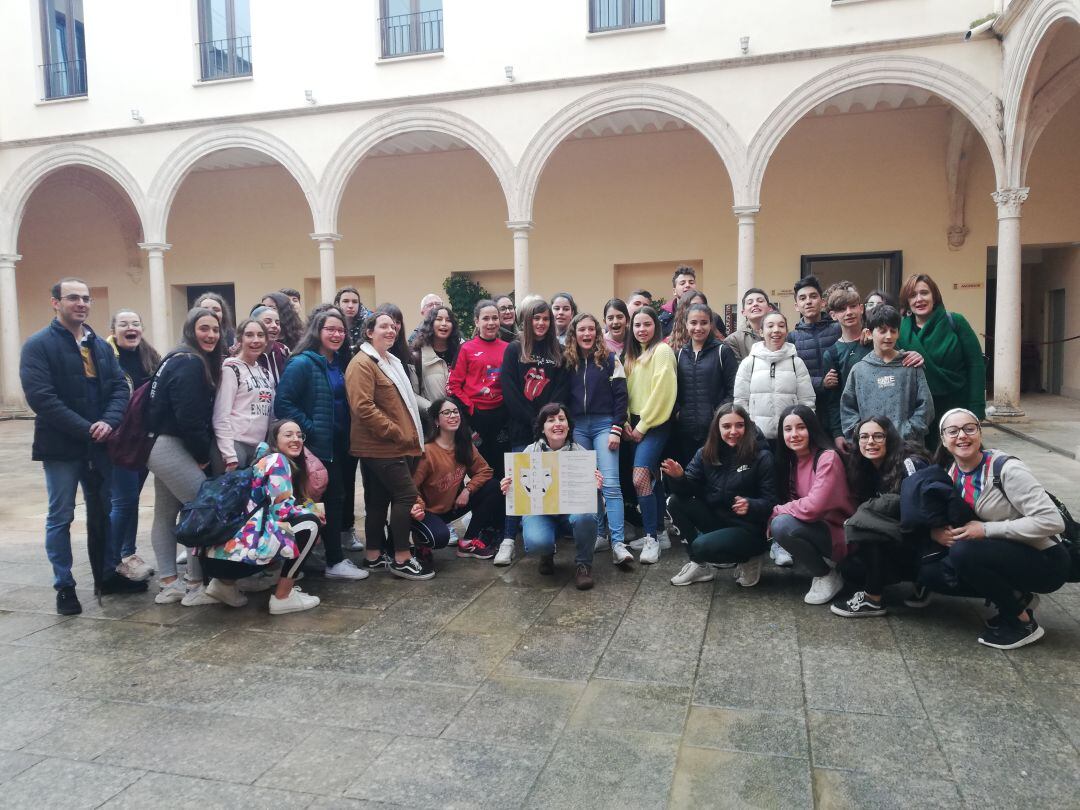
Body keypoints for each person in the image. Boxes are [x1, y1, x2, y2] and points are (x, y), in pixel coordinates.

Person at [20, 278, 135, 614]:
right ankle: (64, 585)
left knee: (102, 513)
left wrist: (109, 423)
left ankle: (105, 575)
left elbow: (118, 388)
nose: (81, 303)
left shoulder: (99, 345)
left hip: (98, 446)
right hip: (61, 447)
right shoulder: (38, 345)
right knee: (61, 515)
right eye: (73, 298)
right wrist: (87, 428)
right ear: (55, 302)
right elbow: (42, 398)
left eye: (86, 298)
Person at [927, 408, 1069, 649]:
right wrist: (937, 533)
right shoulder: (954, 472)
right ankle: (1016, 598)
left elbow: (1052, 521)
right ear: (943, 439)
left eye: (969, 428)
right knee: (935, 570)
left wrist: (986, 529)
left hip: (1047, 560)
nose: (962, 436)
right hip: (1009, 552)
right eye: (953, 431)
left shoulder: (1005, 469)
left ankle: (1021, 623)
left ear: (980, 433)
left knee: (964, 554)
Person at [274, 310, 368, 581]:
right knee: (325, 498)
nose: (337, 334)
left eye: (341, 330)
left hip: (340, 443)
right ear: (318, 330)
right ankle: (333, 561)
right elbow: (284, 403)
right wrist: (310, 430)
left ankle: (327, 556)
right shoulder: (302, 363)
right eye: (331, 329)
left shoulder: (339, 362)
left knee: (336, 499)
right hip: (318, 444)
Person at [198, 420, 324, 614]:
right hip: (239, 557)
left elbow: (285, 503)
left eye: (299, 435)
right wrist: (312, 513)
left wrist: (308, 507)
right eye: (288, 435)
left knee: (297, 520)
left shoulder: (263, 460)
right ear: (275, 439)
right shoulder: (278, 461)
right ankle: (283, 597)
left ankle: (224, 585)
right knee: (309, 525)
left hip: (218, 558)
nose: (296, 439)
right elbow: (281, 511)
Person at [145, 307, 224, 606]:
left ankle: (169, 583)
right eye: (204, 328)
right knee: (203, 511)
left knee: (165, 514)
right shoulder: (190, 363)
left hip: (158, 447)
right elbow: (190, 418)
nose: (211, 335)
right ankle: (194, 586)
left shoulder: (174, 357)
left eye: (215, 330)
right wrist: (201, 456)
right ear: (191, 329)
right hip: (173, 447)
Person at [347, 311, 431, 580]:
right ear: (369, 332)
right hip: (383, 446)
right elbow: (363, 407)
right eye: (383, 326)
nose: (391, 331)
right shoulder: (362, 363)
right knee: (406, 496)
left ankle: (373, 555)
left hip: (393, 445)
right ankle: (402, 557)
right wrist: (396, 432)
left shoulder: (390, 360)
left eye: (394, 327)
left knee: (378, 501)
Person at [662, 404, 776, 587]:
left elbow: (772, 502)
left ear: (747, 427)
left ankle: (750, 558)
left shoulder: (762, 457)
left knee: (701, 546)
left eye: (739, 425)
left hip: (748, 529)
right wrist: (679, 478)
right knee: (674, 502)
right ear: (717, 428)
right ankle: (700, 565)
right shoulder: (705, 453)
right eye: (726, 426)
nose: (733, 431)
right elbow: (688, 489)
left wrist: (751, 504)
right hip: (717, 520)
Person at [829, 416, 929, 617]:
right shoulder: (865, 467)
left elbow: (921, 507)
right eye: (863, 437)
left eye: (878, 436)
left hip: (920, 537)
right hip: (894, 535)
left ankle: (873, 599)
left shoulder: (910, 462)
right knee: (851, 569)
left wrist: (865, 516)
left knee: (864, 527)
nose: (870, 442)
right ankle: (912, 580)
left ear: (890, 438)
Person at [499, 403, 602, 590]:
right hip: (540, 513)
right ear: (542, 428)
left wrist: (596, 487)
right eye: (551, 420)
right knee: (537, 542)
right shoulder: (529, 453)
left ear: (569, 426)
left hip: (571, 513)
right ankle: (546, 553)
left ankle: (583, 566)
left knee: (586, 517)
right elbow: (519, 491)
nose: (557, 424)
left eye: (562, 419)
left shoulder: (581, 454)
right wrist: (508, 486)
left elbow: (593, 500)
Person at [498, 298, 570, 563]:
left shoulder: (558, 352)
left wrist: (547, 424)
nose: (541, 323)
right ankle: (508, 539)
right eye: (536, 318)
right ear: (526, 320)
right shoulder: (514, 349)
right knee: (519, 485)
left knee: (547, 485)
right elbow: (510, 390)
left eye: (546, 319)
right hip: (522, 429)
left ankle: (548, 544)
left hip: (551, 431)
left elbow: (562, 390)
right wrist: (534, 423)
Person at [769, 405, 857, 605]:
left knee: (781, 525)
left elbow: (814, 506)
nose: (794, 434)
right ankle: (825, 563)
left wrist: (777, 510)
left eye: (801, 427)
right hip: (818, 528)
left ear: (812, 428)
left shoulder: (827, 457)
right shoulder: (791, 461)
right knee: (781, 522)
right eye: (788, 429)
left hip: (841, 533)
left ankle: (826, 575)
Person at [565, 312, 631, 566]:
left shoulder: (611, 359)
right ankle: (599, 534)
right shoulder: (568, 362)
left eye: (591, 329)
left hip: (605, 424)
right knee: (589, 486)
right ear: (574, 333)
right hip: (579, 427)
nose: (586, 334)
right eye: (581, 329)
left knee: (611, 484)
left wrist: (616, 427)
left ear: (597, 332)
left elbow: (621, 396)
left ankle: (618, 543)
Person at [410, 398, 503, 568]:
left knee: (493, 487)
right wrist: (419, 507)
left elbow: (485, 471)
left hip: (453, 505)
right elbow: (410, 487)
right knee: (440, 538)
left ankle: (467, 543)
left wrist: (468, 490)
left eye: (455, 412)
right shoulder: (428, 451)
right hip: (427, 511)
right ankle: (420, 545)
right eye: (446, 412)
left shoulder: (464, 444)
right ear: (437, 421)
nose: (453, 416)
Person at [897, 274, 986, 442]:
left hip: (956, 406)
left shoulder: (955, 322)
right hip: (918, 412)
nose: (919, 299)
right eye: (913, 295)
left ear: (934, 296)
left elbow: (975, 365)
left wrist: (977, 408)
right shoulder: (900, 329)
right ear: (907, 301)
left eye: (924, 293)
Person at [106, 308, 160, 583]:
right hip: (118, 440)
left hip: (142, 440)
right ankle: (112, 560)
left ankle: (128, 554)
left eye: (136, 323)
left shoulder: (150, 357)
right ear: (114, 330)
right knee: (123, 501)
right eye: (124, 324)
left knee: (132, 500)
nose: (131, 328)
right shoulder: (106, 358)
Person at [623, 306, 677, 564]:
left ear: (656, 325)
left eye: (647, 324)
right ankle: (659, 532)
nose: (642, 329)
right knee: (651, 476)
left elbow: (663, 392)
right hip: (633, 424)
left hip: (654, 423)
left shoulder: (662, 351)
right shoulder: (633, 354)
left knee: (640, 476)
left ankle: (650, 539)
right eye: (637, 325)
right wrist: (625, 423)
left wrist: (642, 426)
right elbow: (624, 391)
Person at [840, 305, 934, 446]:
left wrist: (907, 432)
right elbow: (848, 409)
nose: (888, 336)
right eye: (882, 331)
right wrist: (864, 436)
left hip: (908, 447)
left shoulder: (911, 366)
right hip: (871, 449)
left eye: (893, 331)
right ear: (870, 333)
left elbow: (926, 406)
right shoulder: (859, 370)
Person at [446, 299, 509, 478]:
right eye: (486, 318)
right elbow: (453, 386)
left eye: (495, 318)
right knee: (480, 474)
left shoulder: (509, 349)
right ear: (476, 321)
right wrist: (471, 409)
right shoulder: (466, 349)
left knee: (503, 474)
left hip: (503, 419)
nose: (491, 323)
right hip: (475, 419)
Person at [733, 310, 815, 442]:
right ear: (761, 332)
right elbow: (740, 402)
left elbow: (807, 401)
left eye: (781, 326)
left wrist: (802, 428)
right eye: (770, 326)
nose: (776, 330)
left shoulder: (796, 363)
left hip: (790, 437)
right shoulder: (749, 363)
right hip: (757, 437)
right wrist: (749, 431)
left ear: (786, 331)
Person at [673, 302, 738, 465]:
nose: (698, 328)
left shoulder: (723, 351)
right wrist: (679, 413)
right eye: (693, 323)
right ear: (686, 324)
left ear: (710, 324)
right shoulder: (679, 354)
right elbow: (671, 391)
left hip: (714, 430)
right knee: (688, 476)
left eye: (704, 323)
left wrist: (718, 414)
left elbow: (734, 390)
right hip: (685, 431)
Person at [213, 318, 275, 472]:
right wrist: (229, 454)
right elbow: (221, 415)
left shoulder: (266, 374)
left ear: (266, 341)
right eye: (249, 335)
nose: (256, 340)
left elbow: (270, 415)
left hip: (258, 449)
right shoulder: (231, 369)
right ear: (240, 339)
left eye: (261, 335)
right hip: (235, 445)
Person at [820, 288, 871, 449]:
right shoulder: (832, 354)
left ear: (861, 308)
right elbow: (834, 399)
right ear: (833, 315)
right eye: (842, 309)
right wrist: (838, 433)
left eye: (853, 306)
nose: (848, 312)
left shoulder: (877, 340)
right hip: (853, 426)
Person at [788, 275, 841, 399]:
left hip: (838, 399)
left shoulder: (839, 329)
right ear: (796, 306)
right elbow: (791, 375)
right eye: (802, 298)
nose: (808, 301)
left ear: (822, 302)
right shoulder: (792, 338)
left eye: (813, 296)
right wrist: (821, 383)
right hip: (808, 402)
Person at [410, 304, 461, 404]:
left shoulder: (461, 352)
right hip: (432, 416)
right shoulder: (417, 356)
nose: (444, 323)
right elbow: (413, 394)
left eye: (448, 320)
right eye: (439, 319)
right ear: (430, 324)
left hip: (460, 416)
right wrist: (435, 411)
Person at [724, 288, 771, 362]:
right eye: (750, 303)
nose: (755, 304)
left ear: (769, 309)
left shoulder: (780, 334)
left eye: (760, 301)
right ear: (743, 312)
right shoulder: (733, 340)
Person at [251, 305, 291, 385]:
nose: (274, 326)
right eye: (268, 322)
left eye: (277, 323)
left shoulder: (283, 350)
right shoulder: (246, 352)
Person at [657, 266, 697, 337]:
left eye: (691, 282)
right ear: (674, 291)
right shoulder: (662, 319)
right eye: (682, 283)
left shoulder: (710, 316)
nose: (688, 285)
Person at [334, 286, 373, 353]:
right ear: (338, 304)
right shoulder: (330, 321)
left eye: (355, 302)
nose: (350, 306)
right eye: (345, 301)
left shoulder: (369, 322)